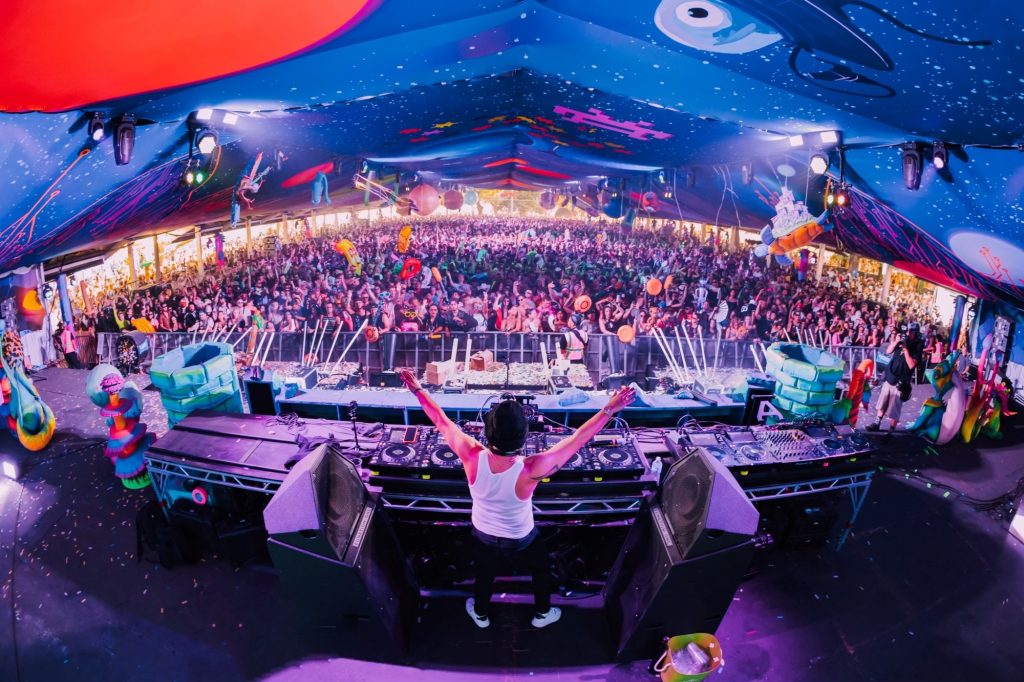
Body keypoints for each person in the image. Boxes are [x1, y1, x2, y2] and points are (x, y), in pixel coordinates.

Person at [399, 368, 635, 629]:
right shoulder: (532, 468)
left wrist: (417, 390)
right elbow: (578, 439)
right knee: (541, 569)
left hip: (484, 534)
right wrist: (610, 409)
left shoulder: (471, 454)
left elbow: (440, 420)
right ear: (524, 435)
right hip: (522, 536)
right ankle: (542, 614)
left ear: (488, 431)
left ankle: (481, 614)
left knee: (484, 573)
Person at [866, 322, 923, 432]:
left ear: (916, 333)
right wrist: (896, 341)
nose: (908, 334)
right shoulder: (901, 339)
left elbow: (912, 365)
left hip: (901, 382)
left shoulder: (918, 345)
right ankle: (877, 423)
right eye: (907, 331)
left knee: (894, 409)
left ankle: (891, 431)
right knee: (882, 403)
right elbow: (888, 351)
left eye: (911, 332)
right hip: (890, 377)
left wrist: (905, 349)